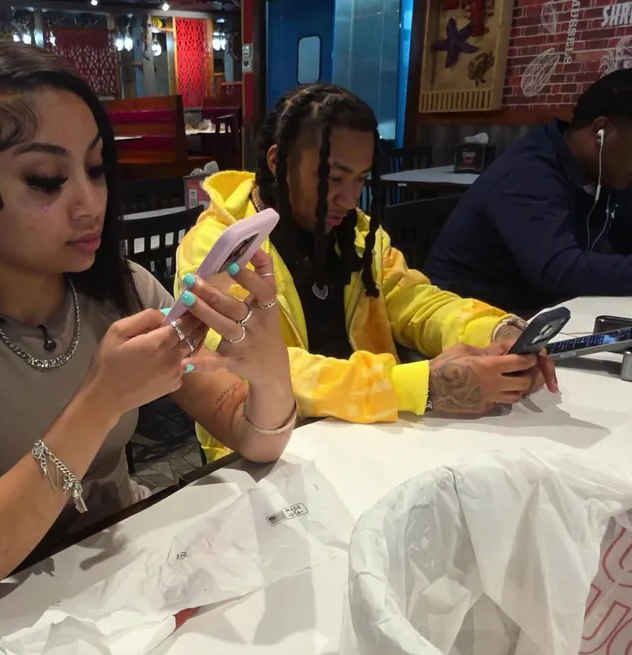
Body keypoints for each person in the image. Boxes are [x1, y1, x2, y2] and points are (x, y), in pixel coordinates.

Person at [0, 39, 296, 593]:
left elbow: (258, 440)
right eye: (46, 179)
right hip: (4, 610)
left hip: (128, 572)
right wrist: (100, 402)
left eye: (96, 168)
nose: (90, 204)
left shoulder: (123, 288)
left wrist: (267, 366)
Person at [176, 84, 558, 461]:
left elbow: (415, 302)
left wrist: (497, 332)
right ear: (278, 162)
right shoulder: (219, 246)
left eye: (360, 179)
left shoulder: (358, 234)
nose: (349, 199)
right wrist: (419, 385)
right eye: (334, 178)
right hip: (267, 450)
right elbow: (254, 366)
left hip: (370, 435)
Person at [424, 68, 632, 315]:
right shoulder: (527, 175)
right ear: (601, 131)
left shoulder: (606, 171)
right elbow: (560, 271)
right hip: (470, 320)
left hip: (544, 310)